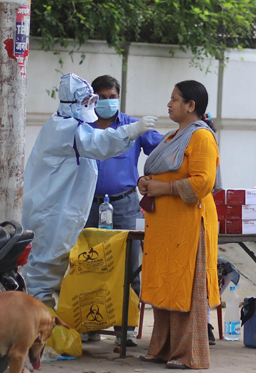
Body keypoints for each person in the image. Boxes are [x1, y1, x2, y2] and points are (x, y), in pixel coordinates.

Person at [22, 73, 157, 310]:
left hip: (75, 212)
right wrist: (132, 130)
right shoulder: (67, 128)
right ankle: (39, 337)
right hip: (55, 216)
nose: (95, 106)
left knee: (118, 268)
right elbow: (100, 143)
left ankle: (47, 333)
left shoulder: (68, 124)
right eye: (91, 101)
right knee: (47, 277)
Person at [137, 80, 221, 370]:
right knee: (167, 283)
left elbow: (203, 182)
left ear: (190, 106)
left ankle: (189, 354)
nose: (169, 104)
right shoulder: (173, 137)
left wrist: (165, 190)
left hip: (189, 224)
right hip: (165, 225)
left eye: (174, 99)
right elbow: (154, 170)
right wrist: (145, 183)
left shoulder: (201, 138)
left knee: (187, 286)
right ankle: (162, 349)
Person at [82, 75, 163, 346]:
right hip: (89, 204)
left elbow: (163, 149)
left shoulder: (133, 126)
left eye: (111, 96)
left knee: (129, 266)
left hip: (125, 203)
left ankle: (125, 329)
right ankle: (89, 326)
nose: (107, 101)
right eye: (101, 97)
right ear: (93, 99)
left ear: (119, 96)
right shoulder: (84, 126)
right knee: (89, 264)